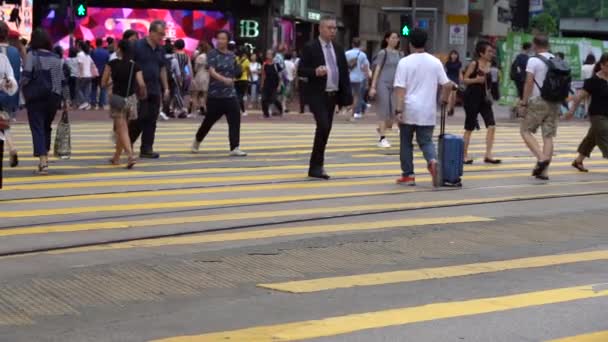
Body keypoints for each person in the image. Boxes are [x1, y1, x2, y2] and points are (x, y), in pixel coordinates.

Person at [393, 28, 452, 186]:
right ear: (426, 43)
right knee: (426, 141)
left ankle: (409, 175)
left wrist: (398, 111)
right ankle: (432, 161)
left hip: (409, 109)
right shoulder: (435, 62)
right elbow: (447, 85)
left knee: (406, 142)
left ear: (410, 43)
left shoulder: (404, 62)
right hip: (427, 110)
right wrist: (443, 99)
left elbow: (400, 89)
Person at [298, 15, 353, 179]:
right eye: (329, 28)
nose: (333, 31)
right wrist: (315, 71)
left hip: (332, 95)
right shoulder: (310, 47)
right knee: (322, 125)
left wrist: (346, 99)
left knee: (326, 129)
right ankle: (316, 165)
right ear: (320, 29)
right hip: (317, 94)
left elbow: (343, 74)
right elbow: (301, 70)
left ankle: (316, 166)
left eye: (334, 28)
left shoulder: (338, 48)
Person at [191, 30, 246, 157]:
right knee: (209, 121)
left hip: (230, 95)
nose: (221, 41)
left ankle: (235, 147)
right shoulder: (212, 54)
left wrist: (233, 79)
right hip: (215, 95)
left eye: (223, 39)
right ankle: (197, 140)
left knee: (235, 119)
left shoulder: (232, 56)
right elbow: (211, 71)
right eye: (219, 38)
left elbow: (235, 71)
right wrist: (224, 79)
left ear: (227, 41)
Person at [21, 29, 68, 175]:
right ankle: (45, 157)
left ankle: (43, 162)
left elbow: (27, 76)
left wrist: (19, 85)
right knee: (46, 127)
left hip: (36, 98)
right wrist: (66, 101)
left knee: (37, 127)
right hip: (53, 98)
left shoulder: (32, 55)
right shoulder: (56, 57)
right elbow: (62, 81)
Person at [518, 35, 562, 180]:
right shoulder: (556, 60)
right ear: (548, 44)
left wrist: (523, 103)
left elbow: (528, 83)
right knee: (548, 136)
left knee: (525, 131)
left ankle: (542, 158)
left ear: (535, 45)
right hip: (554, 102)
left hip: (538, 101)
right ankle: (544, 172)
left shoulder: (533, 60)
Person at [102, 39, 147, 169]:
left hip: (118, 100)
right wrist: (142, 94)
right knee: (123, 129)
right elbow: (142, 84)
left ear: (120, 49)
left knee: (122, 130)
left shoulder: (112, 64)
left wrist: (111, 82)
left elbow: (103, 83)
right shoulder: (135, 65)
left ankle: (130, 156)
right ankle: (116, 157)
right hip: (131, 100)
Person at [129, 20, 170, 159]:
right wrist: (139, 84)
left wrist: (166, 88)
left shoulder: (160, 49)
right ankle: (127, 143)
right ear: (151, 32)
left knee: (152, 120)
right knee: (139, 118)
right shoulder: (137, 46)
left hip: (155, 89)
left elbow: (162, 68)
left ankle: (147, 149)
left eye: (163, 34)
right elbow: (131, 66)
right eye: (160, 34)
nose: (161, 37)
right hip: (139, 88)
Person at [567, 53, 608, 172]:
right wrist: (571, 111)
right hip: (597, 114)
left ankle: (578, 161)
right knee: (605, 135)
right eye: (607, 66)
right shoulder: (593, 80)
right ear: (601, 65)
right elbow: (580, 96)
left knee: (592, 138)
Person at [462, 41, 501, 165]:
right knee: (469, 127)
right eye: (489, 51)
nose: (491, 53)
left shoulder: (491, 64)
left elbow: (492, 83)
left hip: (485, 99)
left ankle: (488, 155)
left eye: (492, 51)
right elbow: (465, 80)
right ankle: (464, 155)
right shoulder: (474, 64)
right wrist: (476, 80)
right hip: (472, 98)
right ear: (481, 53)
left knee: (492, 125)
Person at [369, 31, 401, 148]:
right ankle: (382, 138)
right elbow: (377, 70)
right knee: (383, 110)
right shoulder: (383, 53)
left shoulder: (399, 54)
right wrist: (373, 86)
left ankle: (381, 128)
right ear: (387, 39)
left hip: (395, 85)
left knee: (393, 113)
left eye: (396, 38)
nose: (395, 40)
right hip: (382, 83)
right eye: (392, 38)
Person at [0, 22, 21, 167]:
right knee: (3, 121)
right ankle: (12, 147)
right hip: (11, 94)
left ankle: (12, 147)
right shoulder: (15, 51)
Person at [345, 37, 369, 120]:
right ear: (360, 45)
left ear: (352, 44)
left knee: (349, 94)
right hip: (359, 78)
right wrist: (367, 79)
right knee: (356, 96)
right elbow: (365, 67)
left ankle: (348, 108)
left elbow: (343, 65)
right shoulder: (362, 54)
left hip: (348, 77)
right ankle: (353, 112)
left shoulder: (347, 53)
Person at [190, 40, 210, 116]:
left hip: (199, 76)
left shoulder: (200, 57)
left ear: (201, 47)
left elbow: (195, 68)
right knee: (204, 95)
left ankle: (193, 112)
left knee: (195, 95)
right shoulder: (209, 57)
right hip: (207, 76)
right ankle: (205, 109)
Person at [261, 49, 283, 118]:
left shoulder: (276, 65)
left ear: (273, 55)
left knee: (274, 99)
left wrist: (279, 85)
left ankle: (280, 109)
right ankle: (266, 113)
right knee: (263, 99)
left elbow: (280, 76)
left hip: (274, 85)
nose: (268, 55)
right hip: (266, 85)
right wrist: (262, 85)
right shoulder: (264, 64)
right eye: (267, 54)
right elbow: (263, 75)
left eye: (269, 54)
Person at [174, 39, 192, 118]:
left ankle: (180, 109)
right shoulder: (186, 56)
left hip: (175, 75)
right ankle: (181, 109)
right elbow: (189, 67)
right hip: (184, 75)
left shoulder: (174, 55)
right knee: (182, 93)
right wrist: (191, 77)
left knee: (176, 92)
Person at [90, 38, 110, 110]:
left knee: (94, 88)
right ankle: (101, 104)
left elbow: (91, 62)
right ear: (102, 43)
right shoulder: (106, 52)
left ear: (96, 43)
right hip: (103, 72)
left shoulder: (93, 52)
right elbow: (108, 63)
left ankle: (93, 103)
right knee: (103, 88)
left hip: (95, 72)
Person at [76, 41, 95, 110]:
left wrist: (80, 74)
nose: (76, 47)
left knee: (78, 89)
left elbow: (80, 65)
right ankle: (87, 103)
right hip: (89, 75)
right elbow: (92, 64)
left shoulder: (80, 54)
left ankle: (84, 102)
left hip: (83, 75)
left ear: (80, 47)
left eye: (77, 45)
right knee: (87, 90)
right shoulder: (87, 55)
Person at [444, 50, 462, 117]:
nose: (454, 56)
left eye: (455, 54)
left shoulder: (459, 63)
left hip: (456, 80)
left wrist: (461, 80)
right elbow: (445, 72)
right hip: (449, 79)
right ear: (450, 55)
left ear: (457, 56)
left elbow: (460, 72)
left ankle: (452, 108)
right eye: (452, 54)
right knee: (450, 95)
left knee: (454, 96)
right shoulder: (447, 63)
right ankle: (448, 110)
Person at [235, 48, 250, 117]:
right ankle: (243, 111)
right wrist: (248, 78)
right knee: (240, 96)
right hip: (244, 79)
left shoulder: (236, 59)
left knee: (237, 95)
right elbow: (248, 71)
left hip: (236, 80)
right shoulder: (246, 60)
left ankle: (238, 109)